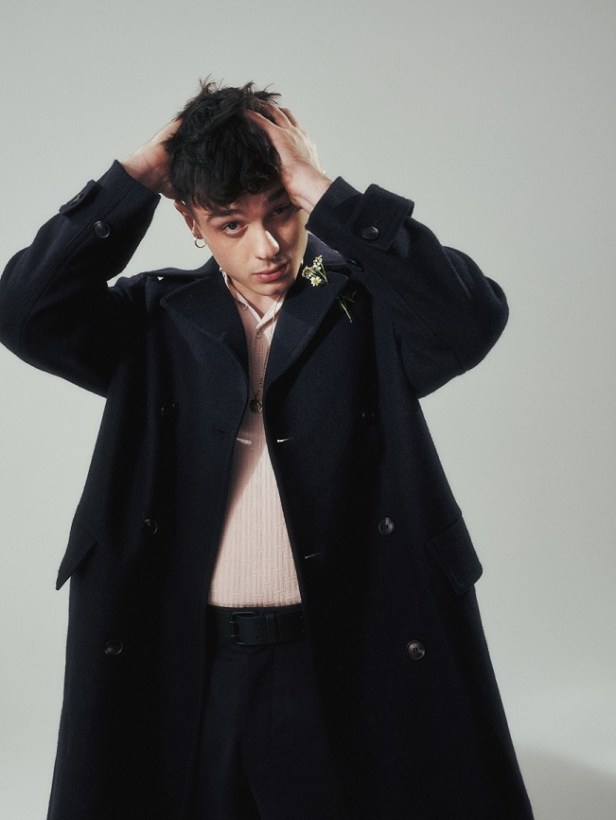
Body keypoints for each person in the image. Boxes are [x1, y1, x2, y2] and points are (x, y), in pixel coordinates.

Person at [0, 80, 533, 819]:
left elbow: (469, 319)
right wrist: (139, 175)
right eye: (232, 223)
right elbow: (23, 310)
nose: (268, 246)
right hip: (189, 661)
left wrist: (324, 190)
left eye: (281, 211)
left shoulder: (367, 305)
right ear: (190, 220)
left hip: (346, 654)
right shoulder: (152, 320)